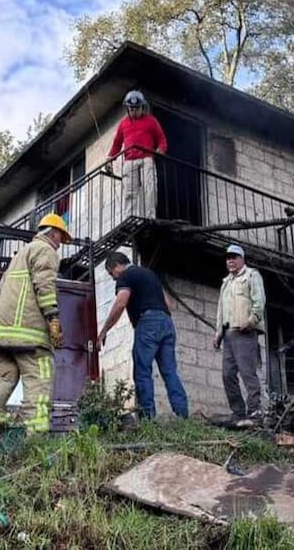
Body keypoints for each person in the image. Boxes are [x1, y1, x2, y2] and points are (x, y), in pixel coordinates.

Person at [0, 213, 70, 434]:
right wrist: (53, 318)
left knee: (1, 379)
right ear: (53, 233)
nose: (59, 245)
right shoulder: (44, 250)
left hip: (2, 336)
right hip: (30, 336)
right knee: (40, 377)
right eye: (60, 239)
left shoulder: (18, 258)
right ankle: (35, 438)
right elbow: (44, 285)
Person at [98, 251, 188, 419]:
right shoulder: (150, 274)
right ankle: (183, 415)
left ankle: (147, 418)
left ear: (116, 266)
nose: (113, 278)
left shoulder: (126, 275)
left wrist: (104, 331)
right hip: (167, 323)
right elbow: (169, 305)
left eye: (112, 274)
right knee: (170, 372)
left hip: (147, 323)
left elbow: (120, 303)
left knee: (142, 371)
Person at [213, 244, 266, 427]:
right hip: (228, 334)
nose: (230, 261)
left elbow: (259, 301)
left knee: (247, 372)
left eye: (234, 257)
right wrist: (218, 332)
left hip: (244, 332)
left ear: (242, 259)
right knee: (227, 375)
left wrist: (251, 321)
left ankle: (255, 412)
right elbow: (221, 309)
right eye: (228, 258)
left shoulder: (251, 275)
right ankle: (238, 413)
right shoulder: (226, 282)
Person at [108, 90, 167, 219]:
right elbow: (117, 143)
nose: (134, 111)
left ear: (142, 107)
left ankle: (150, 217)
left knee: (150, 188)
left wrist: (160, 150)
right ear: (128, 108)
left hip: (147, 159)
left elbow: (161, 139)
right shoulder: (123, 124)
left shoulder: (151, 121)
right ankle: (130, 217)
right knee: (129, 192)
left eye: (137, 108)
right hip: (129, 161)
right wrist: (110, 157)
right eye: (132, 108)